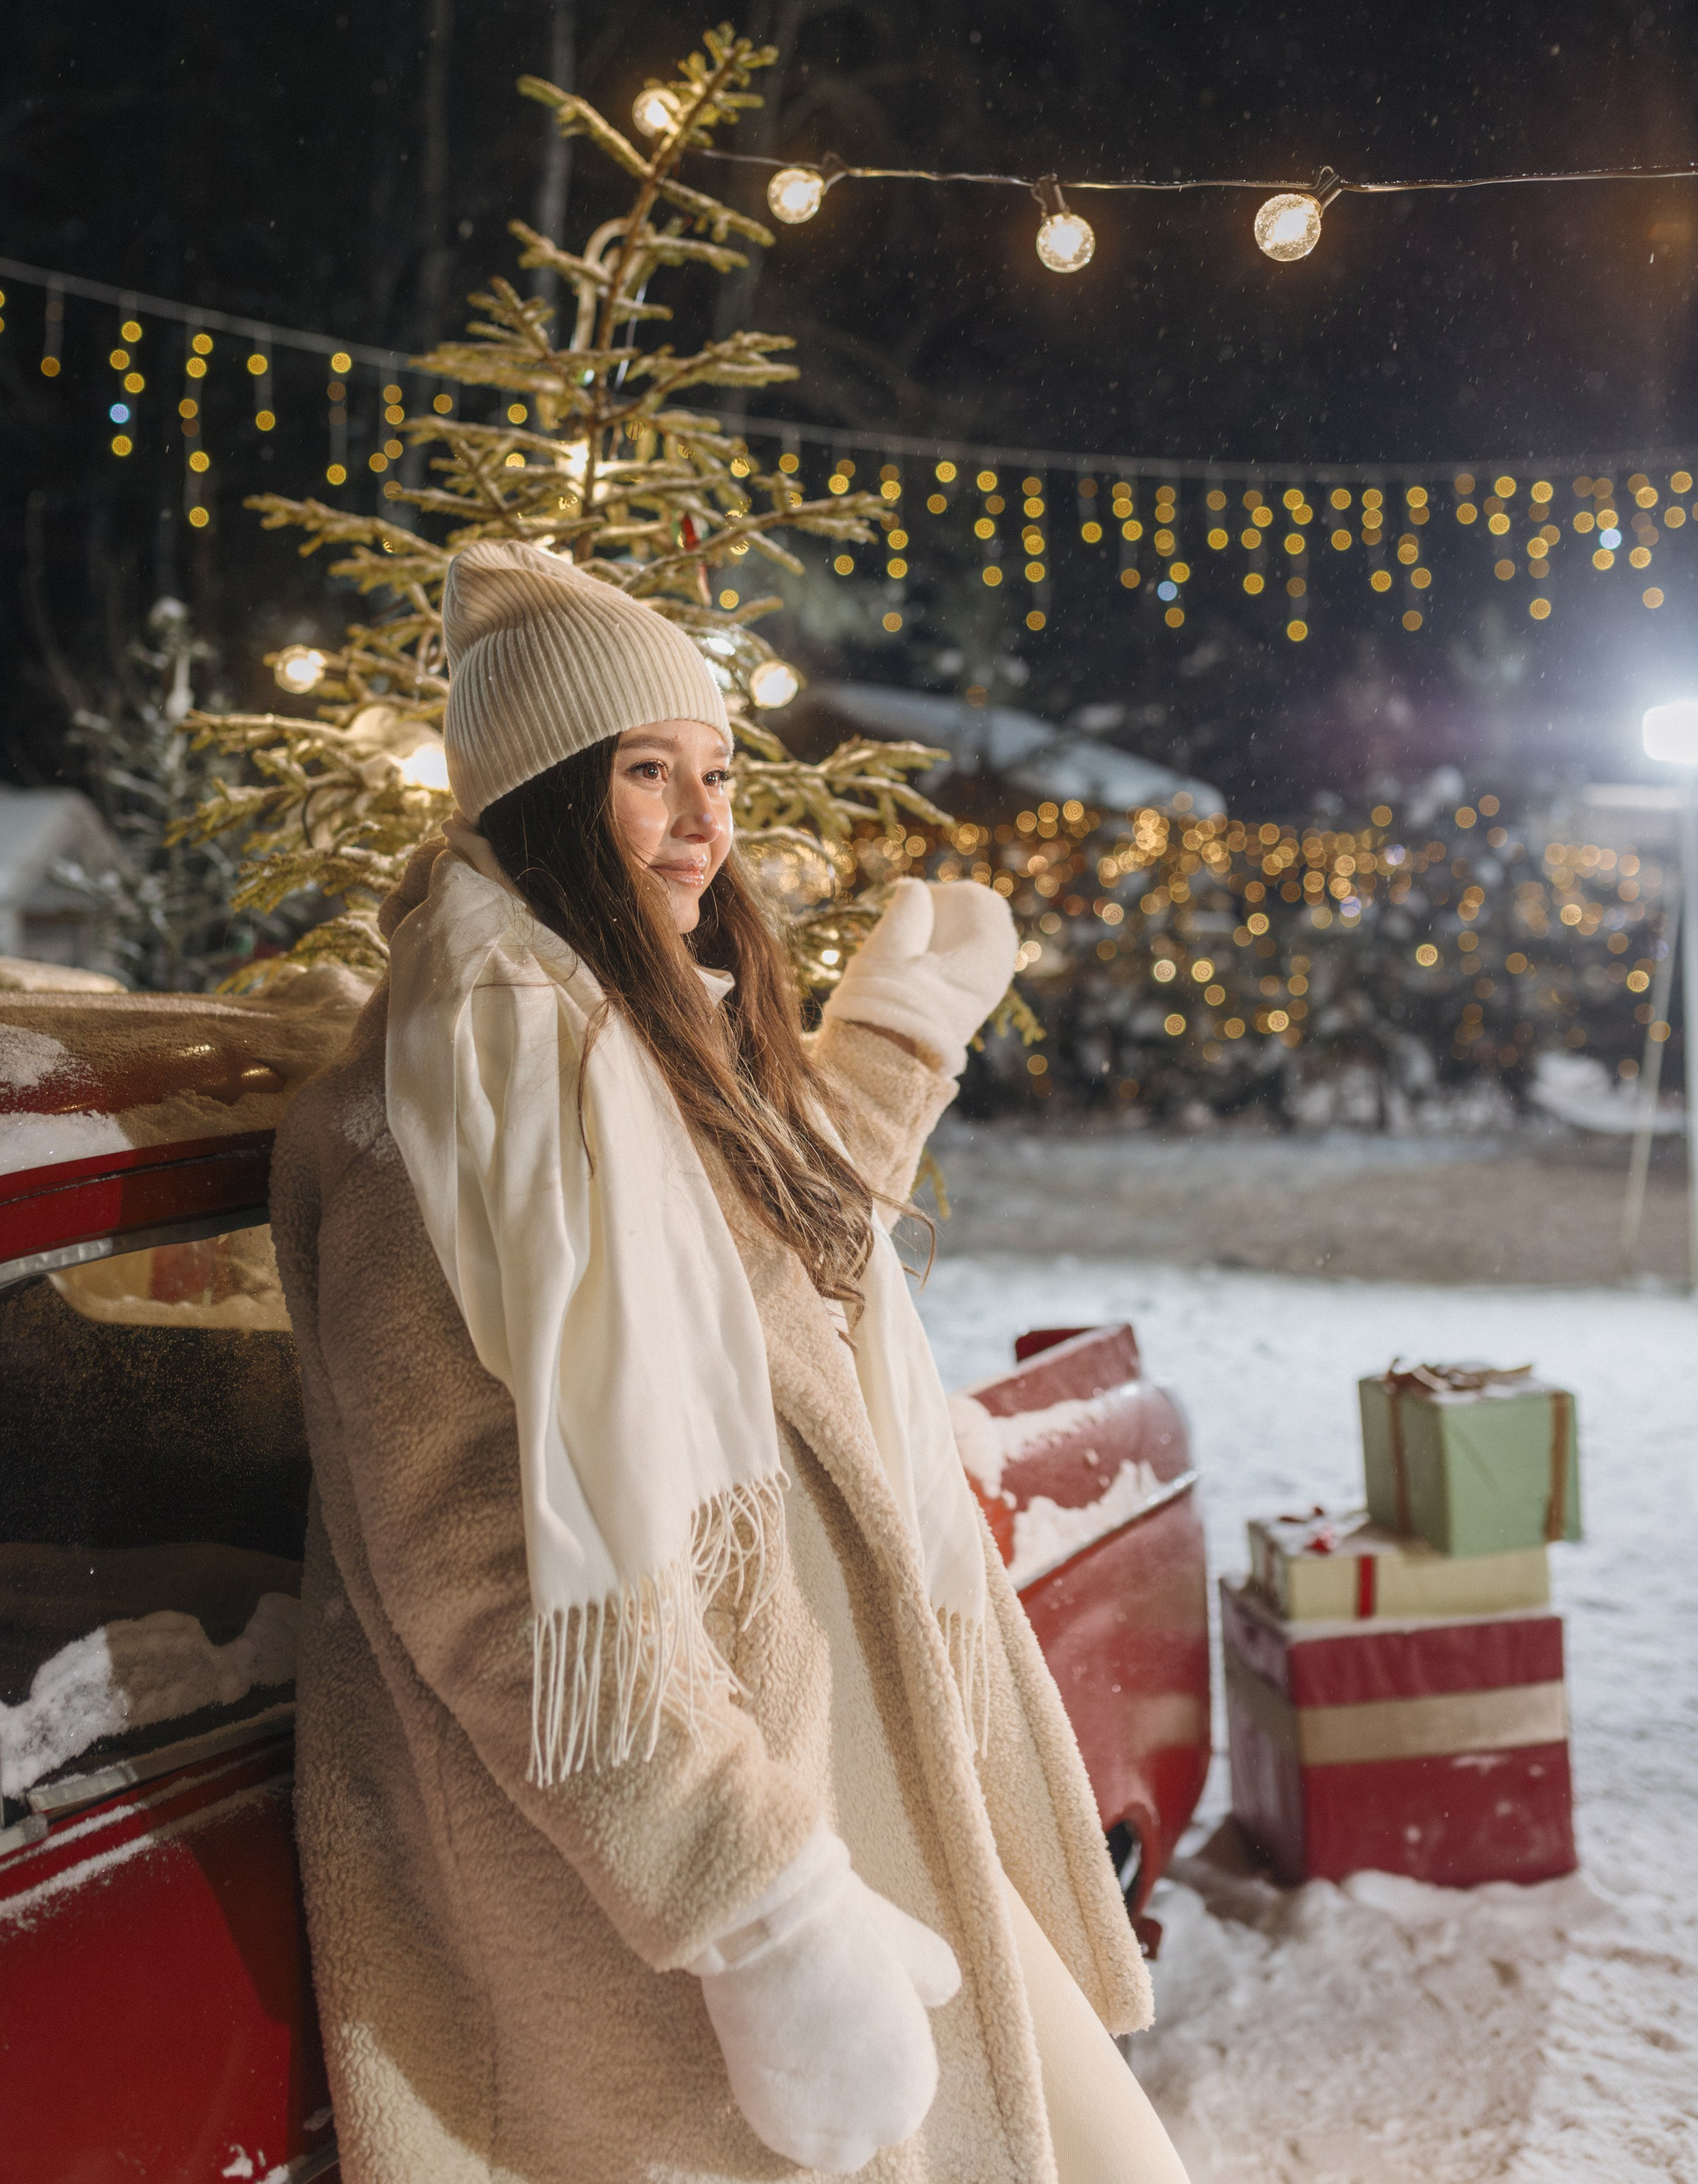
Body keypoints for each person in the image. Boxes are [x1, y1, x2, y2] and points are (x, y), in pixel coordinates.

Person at [271, 541, 1192, 2184]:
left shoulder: (628, 1054)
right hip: (701, 1882)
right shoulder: (445, 1116)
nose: (708, 822)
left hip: (858, 1765)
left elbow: (762, 1291)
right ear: (547, 794)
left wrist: (889, 1049)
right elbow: (487, 1578)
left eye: (714, 771)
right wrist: (759, 1912)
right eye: (648, 775)